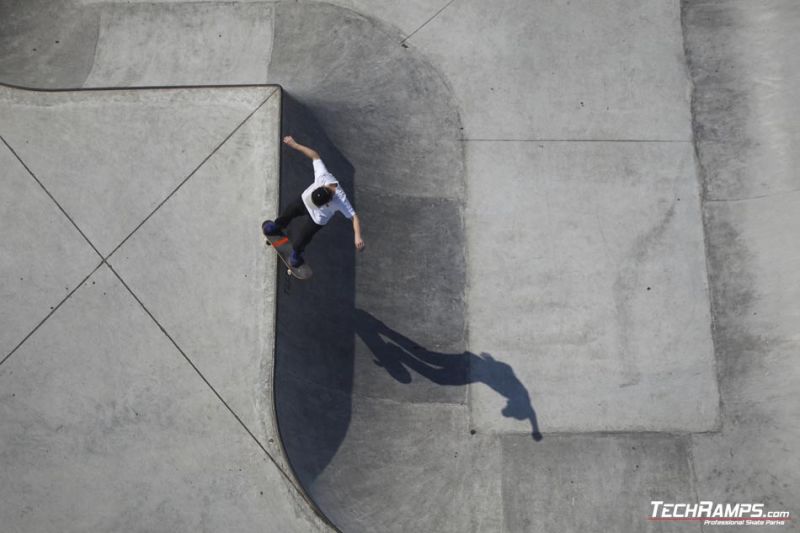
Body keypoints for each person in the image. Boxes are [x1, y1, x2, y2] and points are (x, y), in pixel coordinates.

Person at [262, 136, 365, 267]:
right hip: (304, 201)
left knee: (302, 239)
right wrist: (295, 145)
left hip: (317, 218)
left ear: (329, 201)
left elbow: (354, 217)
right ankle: (277, 226)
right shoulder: (323, 176)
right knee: (288, 212)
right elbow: (315, 155)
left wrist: (358, 236)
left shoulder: (341, 199)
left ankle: (296, 254)